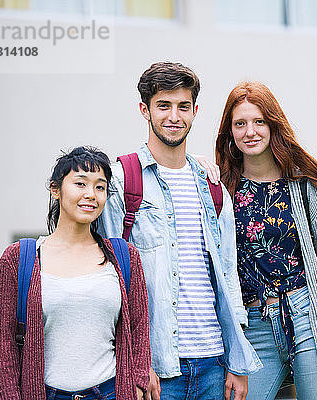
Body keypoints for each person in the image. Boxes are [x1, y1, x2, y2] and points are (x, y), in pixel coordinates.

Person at [98, 62, 261, 400]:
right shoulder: (118, 182)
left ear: (195, 111)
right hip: (156, 367)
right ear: (145, 110)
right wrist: (137, 362)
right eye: (163, 105)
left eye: (183, 106)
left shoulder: (212, 186)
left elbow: (228, 276)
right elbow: (109, 280)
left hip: (215, 365)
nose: (174, 116)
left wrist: (236, 363)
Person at [213, 81, 317, 400]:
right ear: (230, 132)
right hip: (252, 327)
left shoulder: (305, 187)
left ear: (273, 125)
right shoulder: (220, 191)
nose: (250, 131)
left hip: (309, 319)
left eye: (259, 122)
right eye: (240, 124)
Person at [0, 146, 150, 400]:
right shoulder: (18, 259)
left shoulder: (125, 256)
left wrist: (139, 384)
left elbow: (139, 329)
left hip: (111, 392)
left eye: (100, 187)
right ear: (55, 190)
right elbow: (3, 346)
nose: (91, 195)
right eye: (80, 184)